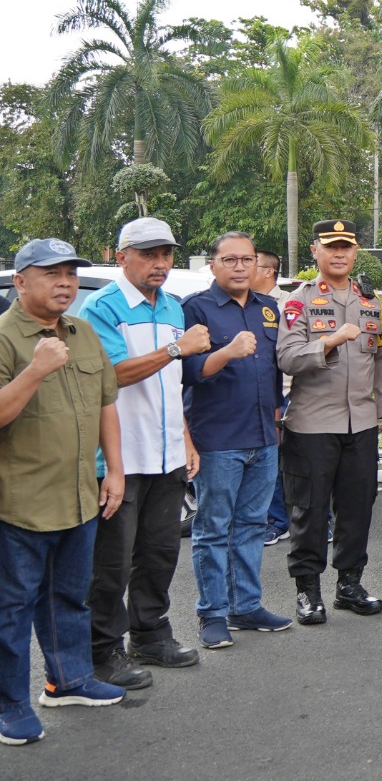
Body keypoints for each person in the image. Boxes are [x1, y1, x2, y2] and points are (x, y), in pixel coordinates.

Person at [0, 239, 128, 746]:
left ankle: (67, 680)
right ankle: (9, 705)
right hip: (21, 501)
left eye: (70, 273)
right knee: (10, 608)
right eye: (50, 273)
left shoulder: (82, 329)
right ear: (20, 281)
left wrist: (114, 470)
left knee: (69, 597)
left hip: (80, 493)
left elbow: (105, 404)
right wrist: (35, 369)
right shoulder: (6, 337)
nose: (65, 282)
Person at [82, 217, 205, 683]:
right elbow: (111, 376)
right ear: (121, 257)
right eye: (149, 254)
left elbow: (169, 389)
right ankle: (102, 652)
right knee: (111, 564)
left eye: (167, 254)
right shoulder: (103, 307)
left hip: (167, 453)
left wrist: (187, 439)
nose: (160, 264)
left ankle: (150, 636)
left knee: (159, 553)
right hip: (119, 458)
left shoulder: (172, 307)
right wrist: (177, 349)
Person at [276, 219, 382, 624]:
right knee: (310, 511)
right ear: (315, 251)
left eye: (346, 247)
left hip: (361, 423)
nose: (339, 253)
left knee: (357, 507)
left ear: (354, 253)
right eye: (331, 246)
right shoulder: (299, 301)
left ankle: (349, 584)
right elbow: (288, 357)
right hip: (312, 423)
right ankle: (307, 591)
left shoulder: (370, 303)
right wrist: (328, 341)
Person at [180, 232, 292, 650]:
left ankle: (246, 605)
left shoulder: (268, 309)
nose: (241, 267)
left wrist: (277, 416)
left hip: (263, 436)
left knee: (250, 526)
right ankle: (212, 613)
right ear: (213, 265)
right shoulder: (196, 308)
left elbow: (275, 369)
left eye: (247, 259)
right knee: (212, 530)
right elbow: (190, 372)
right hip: (218, 438)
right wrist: (227, 352)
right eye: (230, 260)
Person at [250, 248, 291, 545]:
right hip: (260, 395)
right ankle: (276, 519)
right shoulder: (248, 305)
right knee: (269, 461)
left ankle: (294, 520)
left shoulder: (287, 303)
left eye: (252, 263)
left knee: (296, 461)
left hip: (289, 392)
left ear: (268, 271)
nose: (245, 269)